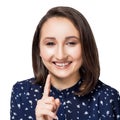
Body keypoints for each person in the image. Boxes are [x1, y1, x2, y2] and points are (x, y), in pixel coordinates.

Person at [10, 6, 120, 120]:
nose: (60, 55)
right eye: (50, 43)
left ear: (86, 47)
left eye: (71, 43)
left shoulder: (107, 97)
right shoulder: (22, 93)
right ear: (38, 49)